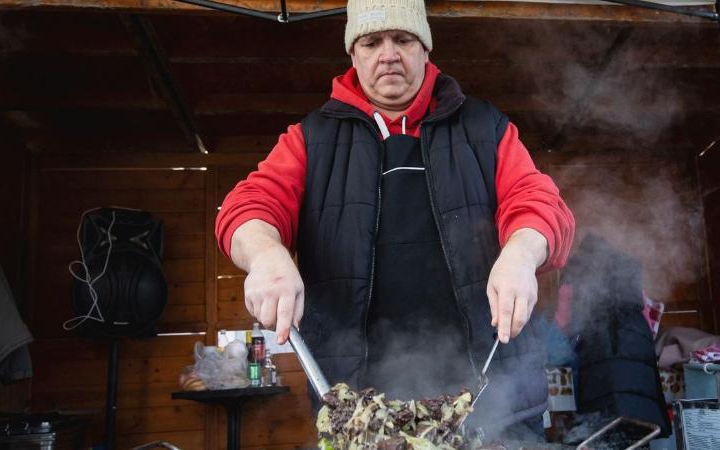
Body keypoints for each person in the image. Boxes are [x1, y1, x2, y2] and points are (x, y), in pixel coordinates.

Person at [215, 0, 575, 438]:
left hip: (493, 399)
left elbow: (539, 200)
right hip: (361, 416)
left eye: (403, 39)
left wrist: (521, 253)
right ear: (354, 54)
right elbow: (250, 204)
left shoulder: (485, 128)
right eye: (372, 42)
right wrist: (265, 255)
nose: (388, 53)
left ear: (425, 49)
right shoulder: (311, 139)